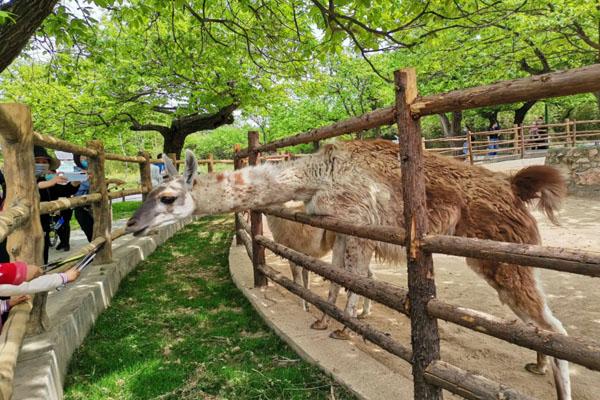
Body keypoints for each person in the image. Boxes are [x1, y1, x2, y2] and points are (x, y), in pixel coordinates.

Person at [72, 154, 95, 242]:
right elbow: (74, 185)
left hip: (95, 207)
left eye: (87, 156)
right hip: (82, 208)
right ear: (77, 159)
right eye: (83, 157)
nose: (86, 158)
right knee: (91, 235)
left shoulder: (94, 170)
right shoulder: (75, 172)